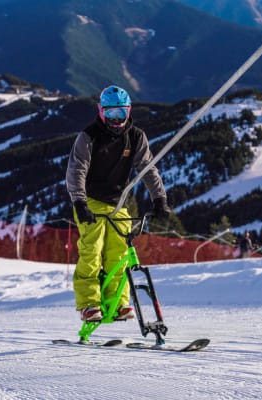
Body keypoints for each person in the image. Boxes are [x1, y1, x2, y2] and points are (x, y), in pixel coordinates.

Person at [66, 85, 171, 322]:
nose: (116, 120)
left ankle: (119, 302)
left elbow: (147, 168)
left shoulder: (135, 136)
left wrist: (159, 199)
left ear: (128, 112)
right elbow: (76, 170)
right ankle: (89, 304)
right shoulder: (89, 136)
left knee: (119, 253)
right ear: (101, 111)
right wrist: (79, 202)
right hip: (90, 201)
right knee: (91, 252)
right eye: (111, 114)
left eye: (121, 114)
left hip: (118, 203)